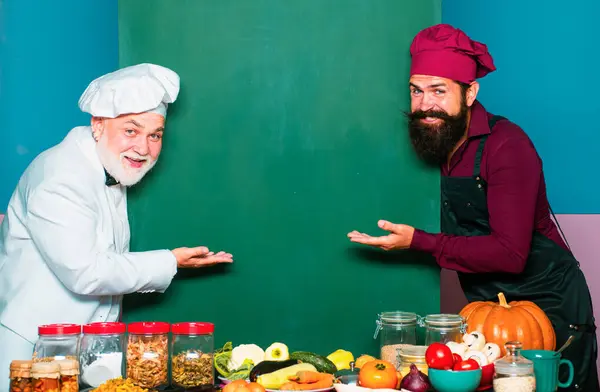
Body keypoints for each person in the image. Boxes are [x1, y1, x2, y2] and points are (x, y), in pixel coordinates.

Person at [348, 24, 598, 391]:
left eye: (438, 91)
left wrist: (419, 241)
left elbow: (511, 254)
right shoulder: (440, 141)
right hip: (484, 318)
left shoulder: (507, 146)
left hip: (550, 312)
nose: (425, 105)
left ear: (470, 93)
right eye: (416, 91)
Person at [0, 63, 233, 386]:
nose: (143, 148)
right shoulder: (61, 177)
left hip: (85, 350)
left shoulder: (107, 163)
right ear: (98, 125)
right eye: (131, 131)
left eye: (155, 135)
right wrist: (171, 260)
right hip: (33, 353)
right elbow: (87, 272)